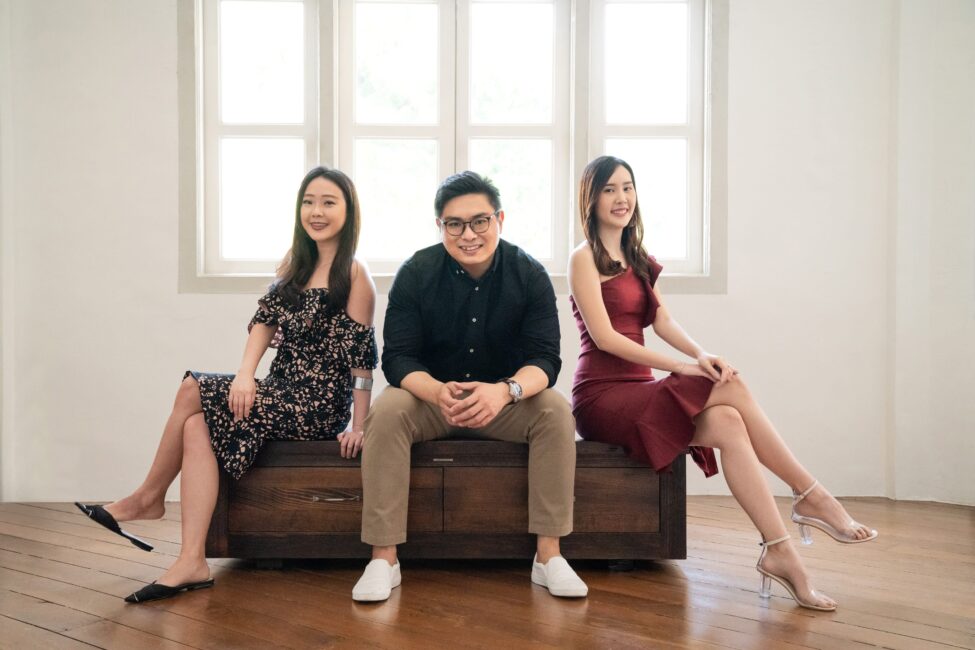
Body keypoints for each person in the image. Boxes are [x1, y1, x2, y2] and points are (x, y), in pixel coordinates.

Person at [568, 156, 877, 612]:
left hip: (640, 389)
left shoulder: (636, 259)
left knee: (730, 421)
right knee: (730, 389)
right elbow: (606, 337)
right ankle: (812, 495)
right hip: (602, 395)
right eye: (610, 189)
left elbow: (663, 319)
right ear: (591, 199)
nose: (622, 198)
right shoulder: (583, 259)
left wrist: (700, 355)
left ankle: (780, 551)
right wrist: (682, 368)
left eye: (628, 187)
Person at [75, 166, 378, 603]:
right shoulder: (294, 265)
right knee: (195, 427)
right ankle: (191, 560)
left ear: (348, 212)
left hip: (316, 403)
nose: (316, 211)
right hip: (280, 390)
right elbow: (262, 323)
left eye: (329, 202)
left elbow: (361, 362)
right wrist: (244, 376)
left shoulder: (354, 273)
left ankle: (147, 497)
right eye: (309, 201)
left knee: (191, 389)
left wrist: (359, 424)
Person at [352, 171, 587, 602]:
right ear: (439, 226)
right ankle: (383, 558)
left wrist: (504, 391)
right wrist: (437, 391)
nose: (468, 235)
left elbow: (546, 360)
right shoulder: (416, 272)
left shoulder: (529, 274)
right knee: (386, 410)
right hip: (432, 401)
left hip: (503, 403)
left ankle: (549, 555)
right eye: (454, 224)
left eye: (480, 221)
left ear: (500, 219)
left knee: (555, 409)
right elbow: (398, 358)